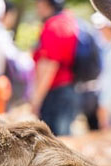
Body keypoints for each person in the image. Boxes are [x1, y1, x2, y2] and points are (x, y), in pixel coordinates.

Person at [31, 0, 78, 136]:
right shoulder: (68, 21)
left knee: (55, 140)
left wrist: (36, 99)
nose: (37, 7)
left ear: (46, 4)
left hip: (55, 93)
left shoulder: (53, 26)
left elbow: (49, 66)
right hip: (67, 90)